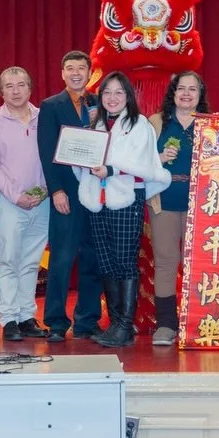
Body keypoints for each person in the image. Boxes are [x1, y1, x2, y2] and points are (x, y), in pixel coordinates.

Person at [76, 71, 171, 348]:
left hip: (127, 199)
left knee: (124, 260)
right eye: (107, 93)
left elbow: (144, 164)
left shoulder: (139, 124)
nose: (112, 98)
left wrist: (111, 168)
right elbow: (83, 159)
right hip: (98, 200)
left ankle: (124, 324)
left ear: (128, 96)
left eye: (119, 92)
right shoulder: (96, 126)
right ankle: (117, 324)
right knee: (105, 262)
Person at [37, 50, 104, 343]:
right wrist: (57, 190)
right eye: (70, 68)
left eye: (81, 68)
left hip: (97, 193)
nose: (76, 73)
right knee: (62, 259)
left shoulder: (101, 104)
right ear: (62, 73)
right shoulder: (50, 106)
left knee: (93, 258)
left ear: (90, 73)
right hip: (67, 193)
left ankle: (87, 320)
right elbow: (46, 151)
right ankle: (54, 321)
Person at [0, 66, 50, 342]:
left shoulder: (43, 118)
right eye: (9, 86)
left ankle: (27, 316)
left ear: (30, 88)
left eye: (21, 85)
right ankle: (9, 318)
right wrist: (16, 196)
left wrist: (45, 190)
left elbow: (53, 156)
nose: (16, 91)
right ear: (1, 92)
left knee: (32, 262)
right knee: (9, 260)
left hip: (42, 200)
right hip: (10, 203)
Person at [147, 71, 208, 346]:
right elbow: (141, 161)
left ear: (200, 95)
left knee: (200, 264)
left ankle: (199, 321)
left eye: (192, 89)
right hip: (164, 202)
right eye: (181, 89)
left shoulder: (212, 123)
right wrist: (158, 158)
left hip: (203, 204)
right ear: (172, 93)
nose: (186, 94)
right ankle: (166, 324)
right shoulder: (156, 122)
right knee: (166, 262)